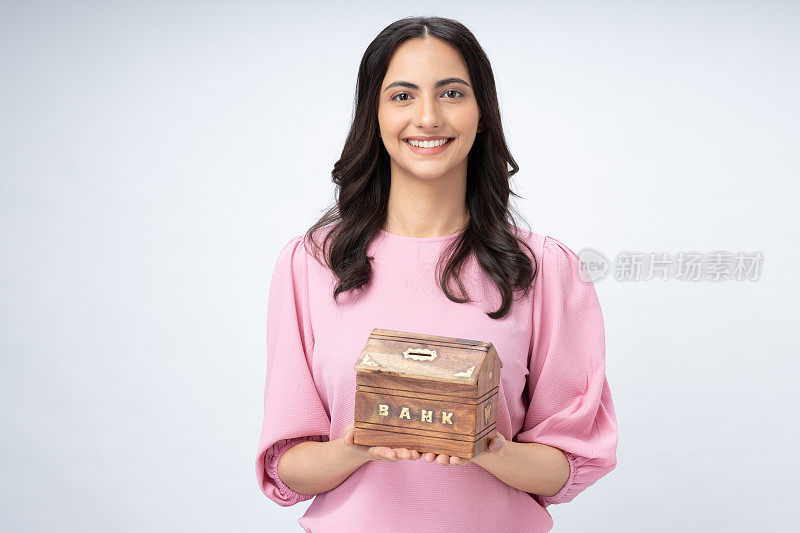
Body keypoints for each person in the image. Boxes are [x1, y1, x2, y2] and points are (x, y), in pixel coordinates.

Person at [255, 16, 618, 532]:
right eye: (402, 96)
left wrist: (488, 447)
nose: (428, 117)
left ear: (481, 114)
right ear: (374, 117)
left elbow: (566, 464)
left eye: (451, 93)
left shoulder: (543, 269)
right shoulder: (311, 263)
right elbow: (289, 465)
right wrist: (357, 444)